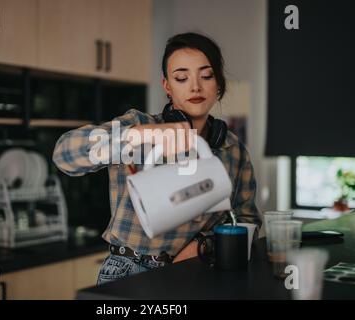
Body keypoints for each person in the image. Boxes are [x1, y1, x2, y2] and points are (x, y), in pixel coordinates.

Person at [52, 32, 261, 285]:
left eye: (206, 76)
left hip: (197, 272)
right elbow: (64, 154)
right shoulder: (139, 126)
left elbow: (248, 222)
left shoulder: (233, 149)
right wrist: (140, 134)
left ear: (219, 84)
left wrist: (205, 245)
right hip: (128, 271)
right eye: (181, 78)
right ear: (167, 87)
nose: (195, 86)